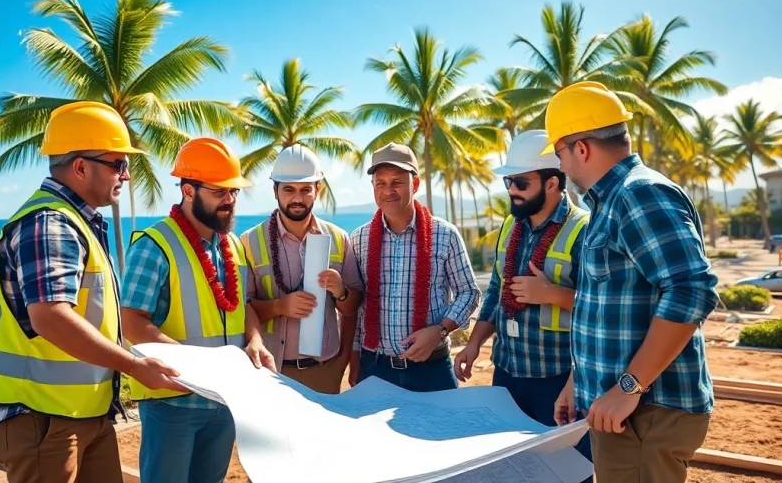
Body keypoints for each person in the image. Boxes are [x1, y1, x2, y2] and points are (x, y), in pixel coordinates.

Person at [0, 102, 184, 483]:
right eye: (118, 164)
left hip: (79, 412)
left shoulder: (76, 222)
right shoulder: (50, 224)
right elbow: (51, 316)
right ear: (81, 167)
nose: (127, 175)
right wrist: (135, 366)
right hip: (39, 417)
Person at [546, 82, 720, 483]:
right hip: (628, 411)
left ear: (582, 148)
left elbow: (691, 290)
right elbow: (605, 305)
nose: (561, 167)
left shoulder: (638, 194)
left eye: (559, 153)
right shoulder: (611, 202)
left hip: (645, 412)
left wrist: (628, 386)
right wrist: (580, 382)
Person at [120, 137, 276, 483]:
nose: (230, 201)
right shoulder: (153, 245)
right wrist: (195, 369)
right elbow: (130, 322)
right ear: (188, 190)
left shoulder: (232, 244)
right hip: (171, 403)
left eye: (233, 192)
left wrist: (254, 340)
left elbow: (243, 306)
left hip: (223, 401)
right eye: (220, 192)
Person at [453, 130, 592, 475]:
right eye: (509, 182)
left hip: (560, 380)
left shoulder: (584, 230)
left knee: (565, 472)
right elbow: (497, 293)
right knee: (511, 471)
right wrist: (474, 344)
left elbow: (604, 308)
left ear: (552, 183)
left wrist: (552, 294)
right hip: (508, 377)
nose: (512, 190)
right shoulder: (509, 227)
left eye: (521, 182)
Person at [349, 143, 481, 392]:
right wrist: (355, 359)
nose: (388, 191)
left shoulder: (444, 234)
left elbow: (469, 293)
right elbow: (358, 307)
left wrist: (439, 331)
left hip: (432, 369)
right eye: (381, 183)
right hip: (375, 368)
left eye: (397, 181)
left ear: (415, 184)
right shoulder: (359, 239)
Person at [242, 145, 363, 394]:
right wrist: (279, 307)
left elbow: (352, 309)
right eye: (288, 189)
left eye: (305, 190)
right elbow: (241, 308)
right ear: (275, 190)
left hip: (325, 370)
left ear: (317, 190)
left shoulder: (339, 238)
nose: (297, 198)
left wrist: (341, 291)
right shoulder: (249, 242)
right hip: (271, 371)